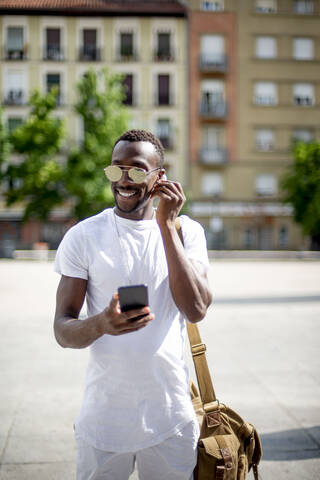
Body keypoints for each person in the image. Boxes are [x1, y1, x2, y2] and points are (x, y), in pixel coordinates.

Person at [54, 129, 212, 480]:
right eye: (116, 170)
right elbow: (62, 330)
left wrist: (167, 226)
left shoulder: (188, 232)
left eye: (138, 171)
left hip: (171, 420)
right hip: (104, 423)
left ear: (160, 178)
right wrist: (101, 324)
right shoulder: (83, 236)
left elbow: (196, 308)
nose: (124, 180)